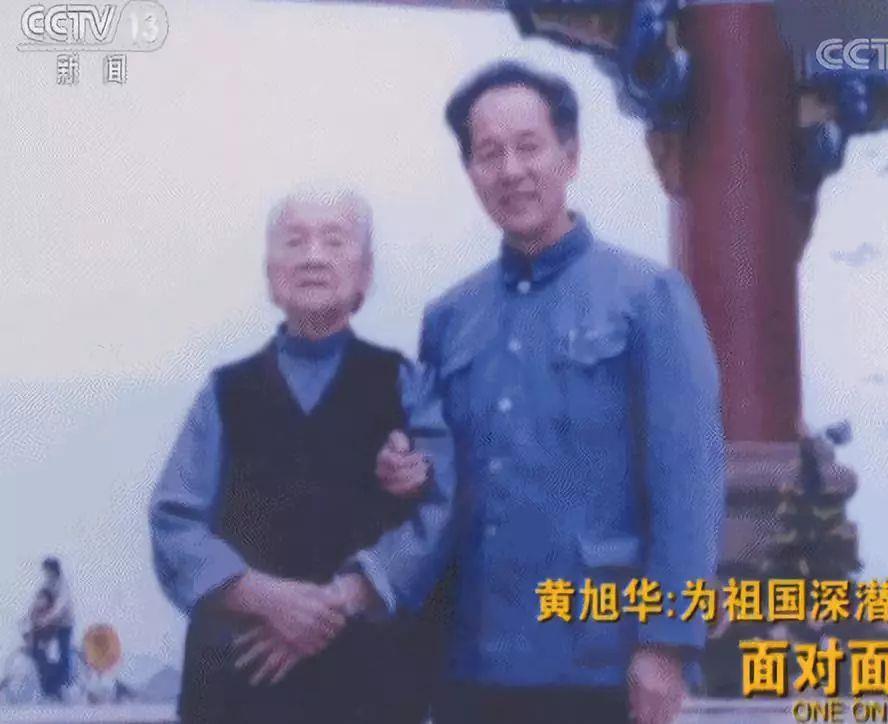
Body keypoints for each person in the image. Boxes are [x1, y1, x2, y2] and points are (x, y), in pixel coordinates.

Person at [376, 61, 725, 724]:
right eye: (489, 154)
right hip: (469, 661)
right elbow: (438, 483)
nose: (511, 170)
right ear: (470, 172)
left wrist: (667, 644)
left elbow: (690, 485)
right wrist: (402, 471)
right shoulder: (449, 319)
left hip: (600, 660)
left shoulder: (648, 298)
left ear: (571, 155)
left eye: (528, 146)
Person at [148, 186, 456, 724]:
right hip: (237, 687)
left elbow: (440, 511)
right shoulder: (224, 393)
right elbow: (174, 523)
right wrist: (264, 598)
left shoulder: (406, 384)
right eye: (294, 242)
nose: (313, 257)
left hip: (371, 686)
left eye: (334, 241)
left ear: (364, 274)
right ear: (271, 276)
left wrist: (341, 598)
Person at [32, 558, 74, 698]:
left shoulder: (62, 585)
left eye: (48, 570)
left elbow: (59, 606)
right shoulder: (47, 583)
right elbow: (38, 600)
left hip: (64, 624)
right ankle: (49, 686)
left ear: (54, 570)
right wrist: (29, 616)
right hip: (51, 625)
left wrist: (46, 618)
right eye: (45, 570)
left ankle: (65, 685)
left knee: (64, 654)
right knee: (40, 651)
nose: (46, 573)